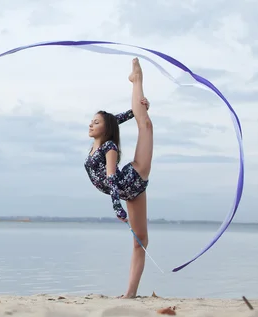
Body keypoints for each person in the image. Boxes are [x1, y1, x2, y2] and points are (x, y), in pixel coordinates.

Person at [83, 57, 153, 299]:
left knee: (146, 126)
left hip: (132, 179)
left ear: (105, 128)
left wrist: (117, 207)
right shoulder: (96, 145)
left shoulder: (109, 147)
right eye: (91, 120)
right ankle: (130, 294)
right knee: (140, 241)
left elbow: (112, 178)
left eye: (97, 121)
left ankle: (137, 80)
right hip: (130, 193)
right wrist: (136, 110)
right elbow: (120, 118)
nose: (91, 123)